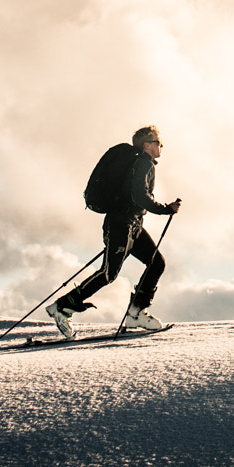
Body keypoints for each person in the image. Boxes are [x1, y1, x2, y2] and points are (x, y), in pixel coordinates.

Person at [47, 125, 181, 336]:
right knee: (109, 273)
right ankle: (63, 306)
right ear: (147, 145)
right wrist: (165, 209)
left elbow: (137, 196)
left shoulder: (140, 163)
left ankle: (136, 312)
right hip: (121, 224)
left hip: (132, 224)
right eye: (158, 143)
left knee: (156, 263)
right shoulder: (143, 164)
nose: (161, 146)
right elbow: (139, 196)